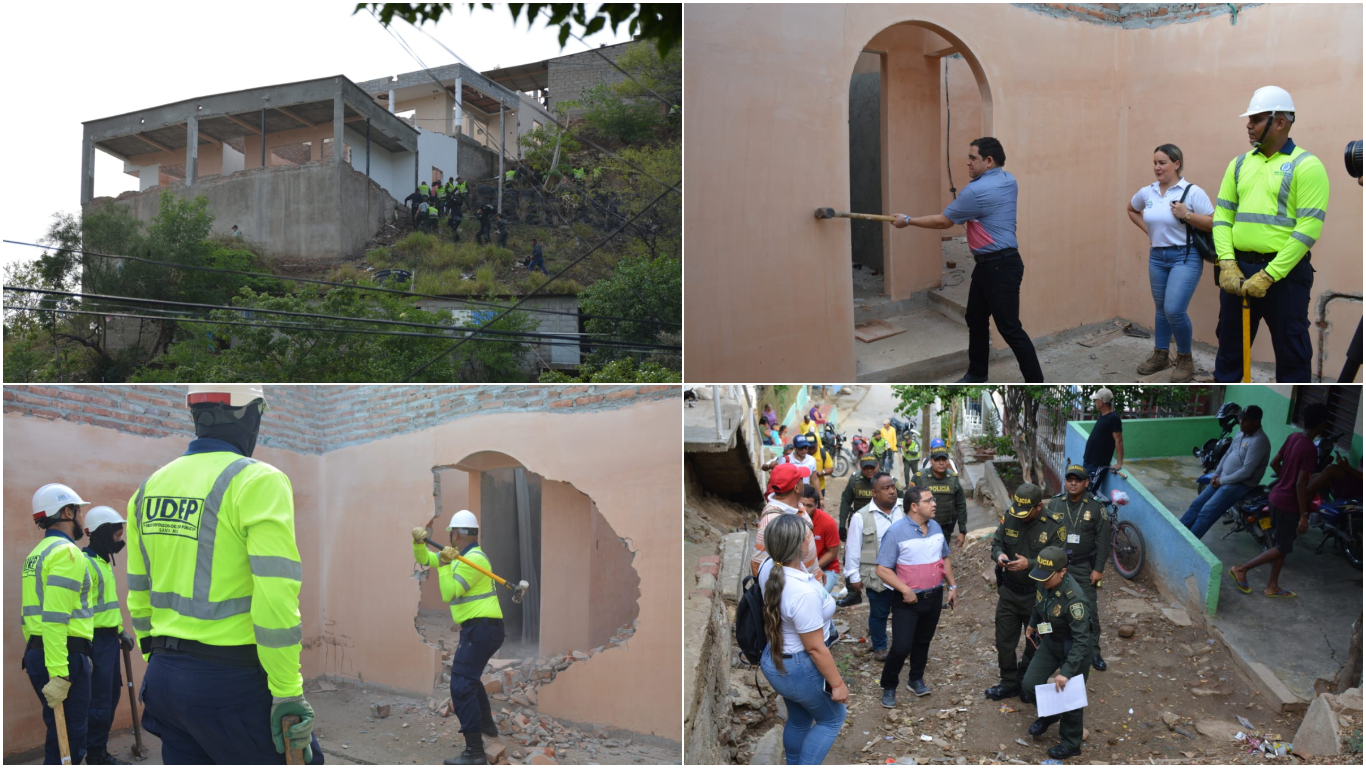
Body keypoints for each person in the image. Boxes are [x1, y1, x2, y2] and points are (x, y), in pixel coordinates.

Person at [127, 385, 322, 764]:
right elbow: (275, 598)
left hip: (164, 679)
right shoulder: (257, 480)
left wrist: (163, 665)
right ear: (249, 416)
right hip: (228, 682)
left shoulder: (147, 490)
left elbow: (138, 593)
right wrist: (286, 690)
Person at [891, 137, 1043, 383]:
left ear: (989, 160)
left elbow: (944, 221)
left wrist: (907, 220)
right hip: (992, 264)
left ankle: (1036, 382)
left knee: (1010, 328)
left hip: (999, 266)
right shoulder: (1008, 180)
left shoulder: (976, 191)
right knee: (975, 317)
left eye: (973, 158)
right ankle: (977, 373)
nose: (968, 163)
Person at [1212, 86, 1330, 383]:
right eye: (1249, 119)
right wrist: (1227, 263)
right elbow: (1223, 217)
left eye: (1256, 119)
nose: (1249, 125)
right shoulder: (1238, 165)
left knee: (1293, 356)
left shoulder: (1307, 166)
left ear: (1280, 122)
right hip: (1238, 271)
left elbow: (1308, 230)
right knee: (1229, 353)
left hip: (1286, 276)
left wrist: (1270, 275)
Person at [411, 510, 504, 765]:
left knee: (461, 685)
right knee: (469, 680)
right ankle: (487, 727)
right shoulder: (459, 557)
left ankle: (474, 753)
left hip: (483, 629)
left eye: (451, 533)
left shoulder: (476, 560)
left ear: (456, 534)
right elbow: (424, 557)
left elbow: (449, 593)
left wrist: (444, 565)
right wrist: (418, 543)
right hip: (481, 629)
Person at [756, 513, 848, 765]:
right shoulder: (802, 593)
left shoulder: (770, 567)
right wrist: (837, 684)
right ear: (799, 545)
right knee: (832, 718)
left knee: (799, 718)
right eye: (807, 536)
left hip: (775, 658)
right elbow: (816, 648)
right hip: (799, 667)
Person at [1126, 143, 1216, 381]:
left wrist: (1186, 215)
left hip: (1185, 256)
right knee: (1160, 309)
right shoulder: (1148, 192)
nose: (1157, 167)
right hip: (1157, 257)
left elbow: (1213, 222)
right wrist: (1149, 232)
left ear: (1176, 164)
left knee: (1174, 309)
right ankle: (1161, 355)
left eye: (1162, 162)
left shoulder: (1192, 191)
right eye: (1155, 163)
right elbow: (1132, 209)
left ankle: (1185, 358)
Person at [22, 483, 97, 766]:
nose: (80, 519)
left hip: (40, 652)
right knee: (71, 738)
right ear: (67, 511)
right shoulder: (67, 553)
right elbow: (55, 618)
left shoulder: (37, 553)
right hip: (64, 655)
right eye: (78, 512)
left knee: (58, 730)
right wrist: (60, 675)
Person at [1229, 402, 1330, 598]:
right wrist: (1303, 515)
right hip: (1288, 503)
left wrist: (1284, 479)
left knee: (1280, 544)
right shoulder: (1309, 448)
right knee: (1283, 546)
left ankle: (1272, 585)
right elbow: (1301, 485)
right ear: (1321, 424)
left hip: (1275, 496)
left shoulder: (1293, 437)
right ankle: (1241, 569)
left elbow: (1275, 463)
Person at [875, 483, 956, 707]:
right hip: (907, 600)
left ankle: (915, 679)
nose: (934, 504)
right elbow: (881, 568)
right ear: (913, 506)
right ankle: (889, 686)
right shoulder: (896, 532)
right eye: (928, 501)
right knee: (901, 646)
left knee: (923, 641)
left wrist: (952, 587)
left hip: (933, 596)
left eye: (933, 500)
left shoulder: (936, 527)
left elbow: (945, 558)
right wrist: (905, 589)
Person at [985, 483, 1059, 701]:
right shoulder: (1011, 516)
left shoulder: (1054, 525)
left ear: (1038, 507)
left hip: (1037, 597)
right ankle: (1008, 682)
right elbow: (997, 543)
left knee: (1036, 641)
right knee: (1004, 641)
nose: (1021, 517)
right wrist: (999, 556)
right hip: (1009, 593)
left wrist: (1031, 564)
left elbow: (1060, 561)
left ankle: (1026, 680)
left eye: (1026, 512)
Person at [1022, 546, 1096, 761]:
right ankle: (1051, 714)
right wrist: (1032, 624)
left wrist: (1066, 671)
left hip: (1074, 648)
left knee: (1070, 699)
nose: (1042, 580)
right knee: (1029, 684)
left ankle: (1071, 743)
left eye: (1047, 576)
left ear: (1063, 571)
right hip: (1052, 641)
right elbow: (1039, 604)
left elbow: (1082, 640)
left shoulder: (1075, 601)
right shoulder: (1043, 579)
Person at [82, 506, 135, 765]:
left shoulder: (102, 563)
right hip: (95, 643)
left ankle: (96, 749)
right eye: (116, 535)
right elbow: (79, 611)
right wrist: (85, 648)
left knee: (111, 694)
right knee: (100, 700)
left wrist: (120, 631)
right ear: (102, 534)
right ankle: (95, 754)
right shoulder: (85, 564)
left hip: (109, 640)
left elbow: (106, 607)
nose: (120, 541)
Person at [1045, 465, 1111, 671]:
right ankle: (1050, 649)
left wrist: (1098, 569)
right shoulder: (1055, 503)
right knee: (1050, 608)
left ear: (1086, 483)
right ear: (1065, 482)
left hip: (1083, 567)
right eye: (1069, 479)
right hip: (1057, 568)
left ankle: (1094, 652)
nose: (1073, 483)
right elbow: (1045, 533)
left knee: (1089, 610)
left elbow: (1103, 540)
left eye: (1078, 480)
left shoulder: (1095, 507)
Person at [1179, 406, 1271, 539]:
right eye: (1241, 418)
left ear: (1256, 422)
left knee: (1207, 511)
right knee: (1197, 504)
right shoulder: (1241, 433)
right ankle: (1178, 532)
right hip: (1223, 477)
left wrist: (1221, 480)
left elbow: (1246, 472)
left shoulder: (1259, 441)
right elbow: (1228, 453)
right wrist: (1217, 473)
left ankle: (1188, 543)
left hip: (1241, 483)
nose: (1241, 422)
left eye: (1246, 420)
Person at [843, 474, 905, 660]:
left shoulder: (906, 508)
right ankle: (880, 647)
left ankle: (902, 647)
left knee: (903, 613)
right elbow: (852, 548)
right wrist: (853, 576)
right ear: (874, 493)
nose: (892, 491)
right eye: (886, 488)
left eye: (893, 487)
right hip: (877, 575)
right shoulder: (861, 517)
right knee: (879, 612)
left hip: (904, 573)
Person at [753, 464, 819, 578]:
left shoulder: (797, 505)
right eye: (801, 480)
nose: (804, 483)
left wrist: (816, 569)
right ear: (797, 488)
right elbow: (756, 564)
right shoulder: (771, 520)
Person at [912, 440, 968, 549]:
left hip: (946, 528)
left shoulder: (953, 478)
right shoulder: (919, 478)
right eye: (938, 460)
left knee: (942, 558)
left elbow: (960, 504)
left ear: (948, 461)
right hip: (922, 528)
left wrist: (962, 531)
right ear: (931, 460)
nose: (941, 463)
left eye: (944, 459)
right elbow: (909, 504)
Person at [801, 486, 842, 594]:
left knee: (818, 597)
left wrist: (814, 567)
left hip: (826, 568)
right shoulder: (790, 519)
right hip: (799, 568)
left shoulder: (828, 522)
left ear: (816, 505)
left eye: (809, 506)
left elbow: (832, 553)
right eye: (802, 505)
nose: (805, 509)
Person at [1082, 388, 1123, 485]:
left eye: (1096, 401)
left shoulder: (1113, 418)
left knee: (1089, 489)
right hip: (1089, 460)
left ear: (1100, 403)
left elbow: (1119, 441)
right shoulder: (1103, 415)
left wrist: (1119, 463)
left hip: (1098, 464)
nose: (1095, 403)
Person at [837, 455, 880, 543]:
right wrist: (842, 525)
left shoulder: (886, 480)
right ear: (860, 467)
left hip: (879, 523)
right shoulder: (855, 479)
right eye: (866, 468)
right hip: (859, 523)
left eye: (872, 467)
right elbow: (846, 500)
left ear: (878, 465)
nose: (869, 471)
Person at [804, 431, 835, 498]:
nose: (811, 449)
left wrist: (823, 472)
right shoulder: (801, 454)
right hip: (803, 489)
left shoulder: (823, 453)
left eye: (813, 446)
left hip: (818, 488)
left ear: (817, 443)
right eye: (809, 447)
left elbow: (830, 468)